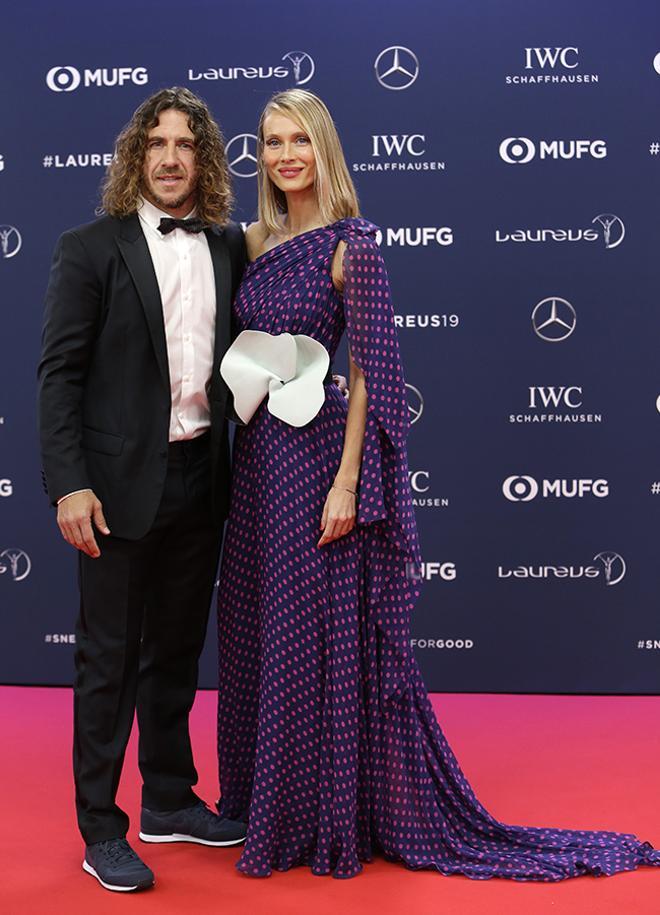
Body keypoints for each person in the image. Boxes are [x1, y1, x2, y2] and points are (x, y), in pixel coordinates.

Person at [215, 88, 660, 880]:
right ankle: (270, 801)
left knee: (317, 637)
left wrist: (349, 480)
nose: (284, 156)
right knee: (266, 630)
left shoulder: (355, 244)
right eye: (272, 141)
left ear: (325, 148)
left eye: (299, 141)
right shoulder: (251, 240)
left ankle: (325, 813)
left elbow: (373, 370)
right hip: (257, 463)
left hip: (317, 458)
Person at [38, 87, 248, 894]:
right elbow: (58, 376)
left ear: (204, 159)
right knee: (108, 662)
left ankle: (167, 795)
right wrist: (69, 485)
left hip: (202, 478)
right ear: (136, 157)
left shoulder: (228, 245)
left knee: (177, 653)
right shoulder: (88, 248)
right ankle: (101, 826)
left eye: (185, 144)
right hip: (117, 487)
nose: (169, 158)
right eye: (155, 144)